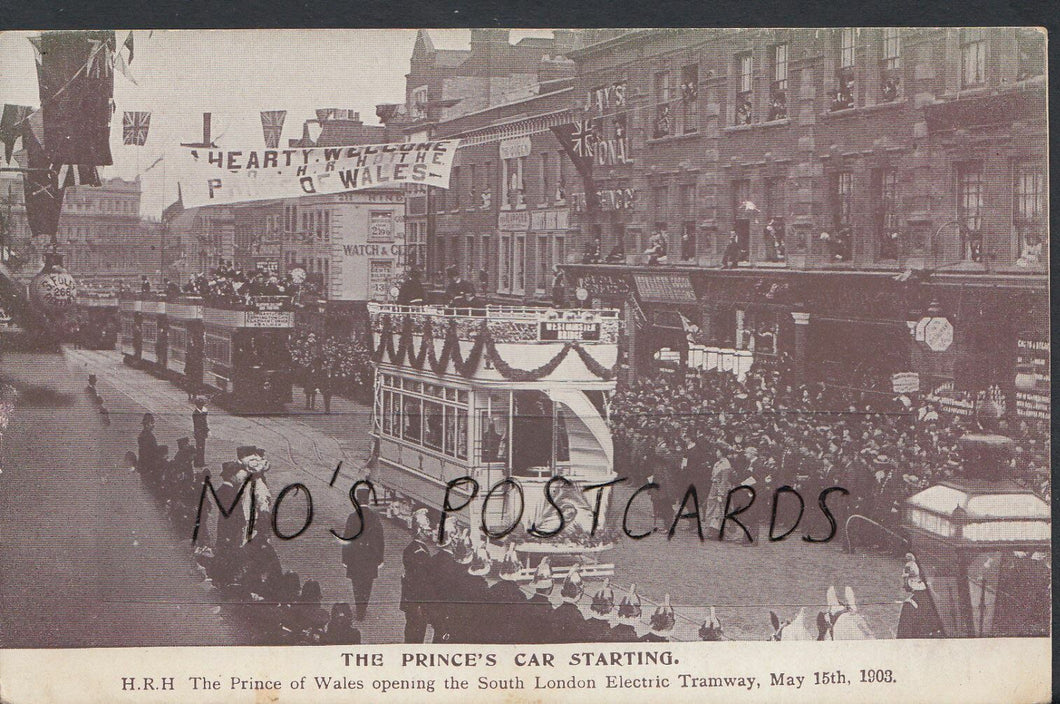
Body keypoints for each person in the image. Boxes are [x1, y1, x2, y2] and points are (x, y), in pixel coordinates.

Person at [340, 485, 385, 621]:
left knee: (356, 584)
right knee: (367, 584)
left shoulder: (352, 517)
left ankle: (359, 608)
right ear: (368, 501)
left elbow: (346, 539)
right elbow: (380, 539)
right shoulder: (374, 517)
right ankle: (363, 609)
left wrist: (345, 559)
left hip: (355, 557)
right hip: (370, 556)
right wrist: (380, 559)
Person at [400, 509, 433, 643]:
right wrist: (420, 604)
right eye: (426, 531)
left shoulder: (414, 548)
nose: (429, 534)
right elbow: (419, 582)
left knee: (412, 630)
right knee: (417, 633)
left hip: (412, 601)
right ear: (419, 531)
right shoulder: (419, 553)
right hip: (417, 602)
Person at [137, 413, 160, 478]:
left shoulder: (143, 434)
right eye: (152, 423)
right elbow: (148, 452)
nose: (153, 425)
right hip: (148, 465)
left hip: (145, 465)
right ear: (147, 424)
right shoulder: (147, 436)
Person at [192, 397, 209, 469]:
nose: (202, 406)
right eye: (201, 405)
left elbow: (205, 422)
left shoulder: (201, 413)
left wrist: (206, 430)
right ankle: (198, 463)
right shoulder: (196, 413)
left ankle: (201, 462)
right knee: (199, 448)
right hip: (199, 433)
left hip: (202, 433)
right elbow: (199, 424)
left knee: (201, 448)